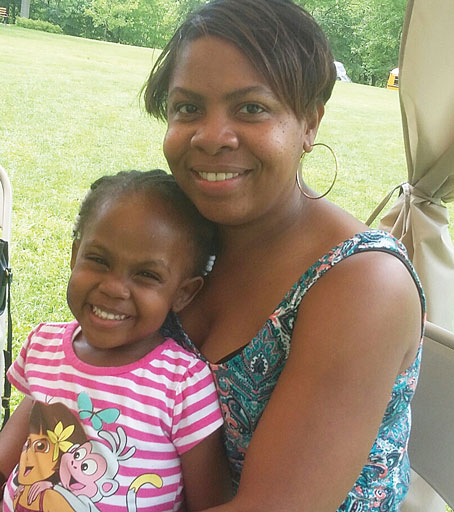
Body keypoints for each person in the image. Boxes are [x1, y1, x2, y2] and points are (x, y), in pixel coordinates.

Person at [143, 0, 426, 510]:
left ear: (310, 123)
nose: (211, 137)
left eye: (251, 108)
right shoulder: (179, 237)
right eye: (187, 108)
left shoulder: (362, 284)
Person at [0, 170, 231, 511]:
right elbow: (13, 447)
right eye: (98, 260)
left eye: (147, 275)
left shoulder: (182, 384)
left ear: (183, 293)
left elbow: (210, 501)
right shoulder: (43, 344)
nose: (113, 288)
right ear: (75, 254)